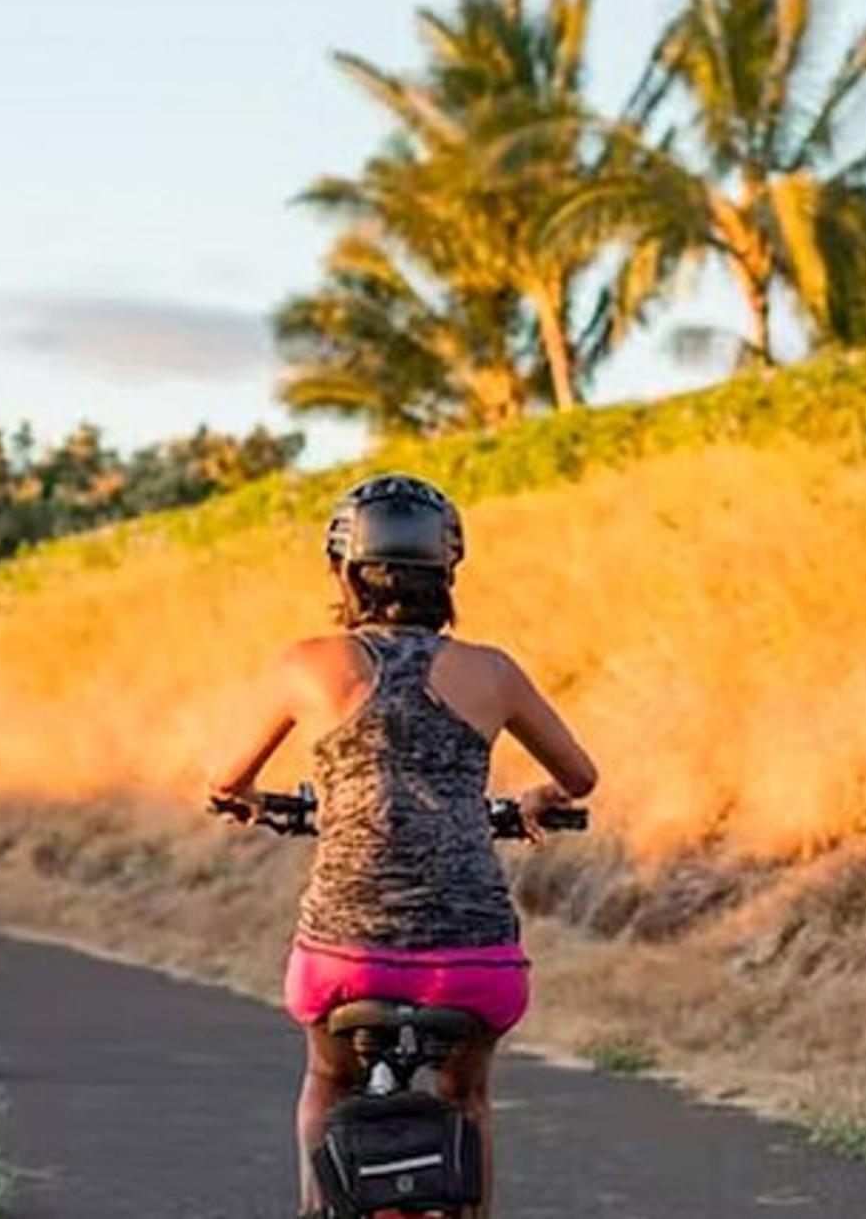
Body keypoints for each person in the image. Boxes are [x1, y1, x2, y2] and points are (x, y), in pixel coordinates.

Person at [207, 474, 598, 1218]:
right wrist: (536, 802)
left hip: (344, 957)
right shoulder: (493, 671)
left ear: (345, 572)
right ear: (448, 573)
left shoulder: (308, 664)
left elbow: (225, 778)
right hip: (474, 960)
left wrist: (253, 801)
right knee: (468, 1092)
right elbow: (578, 775)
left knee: (328, 1079)